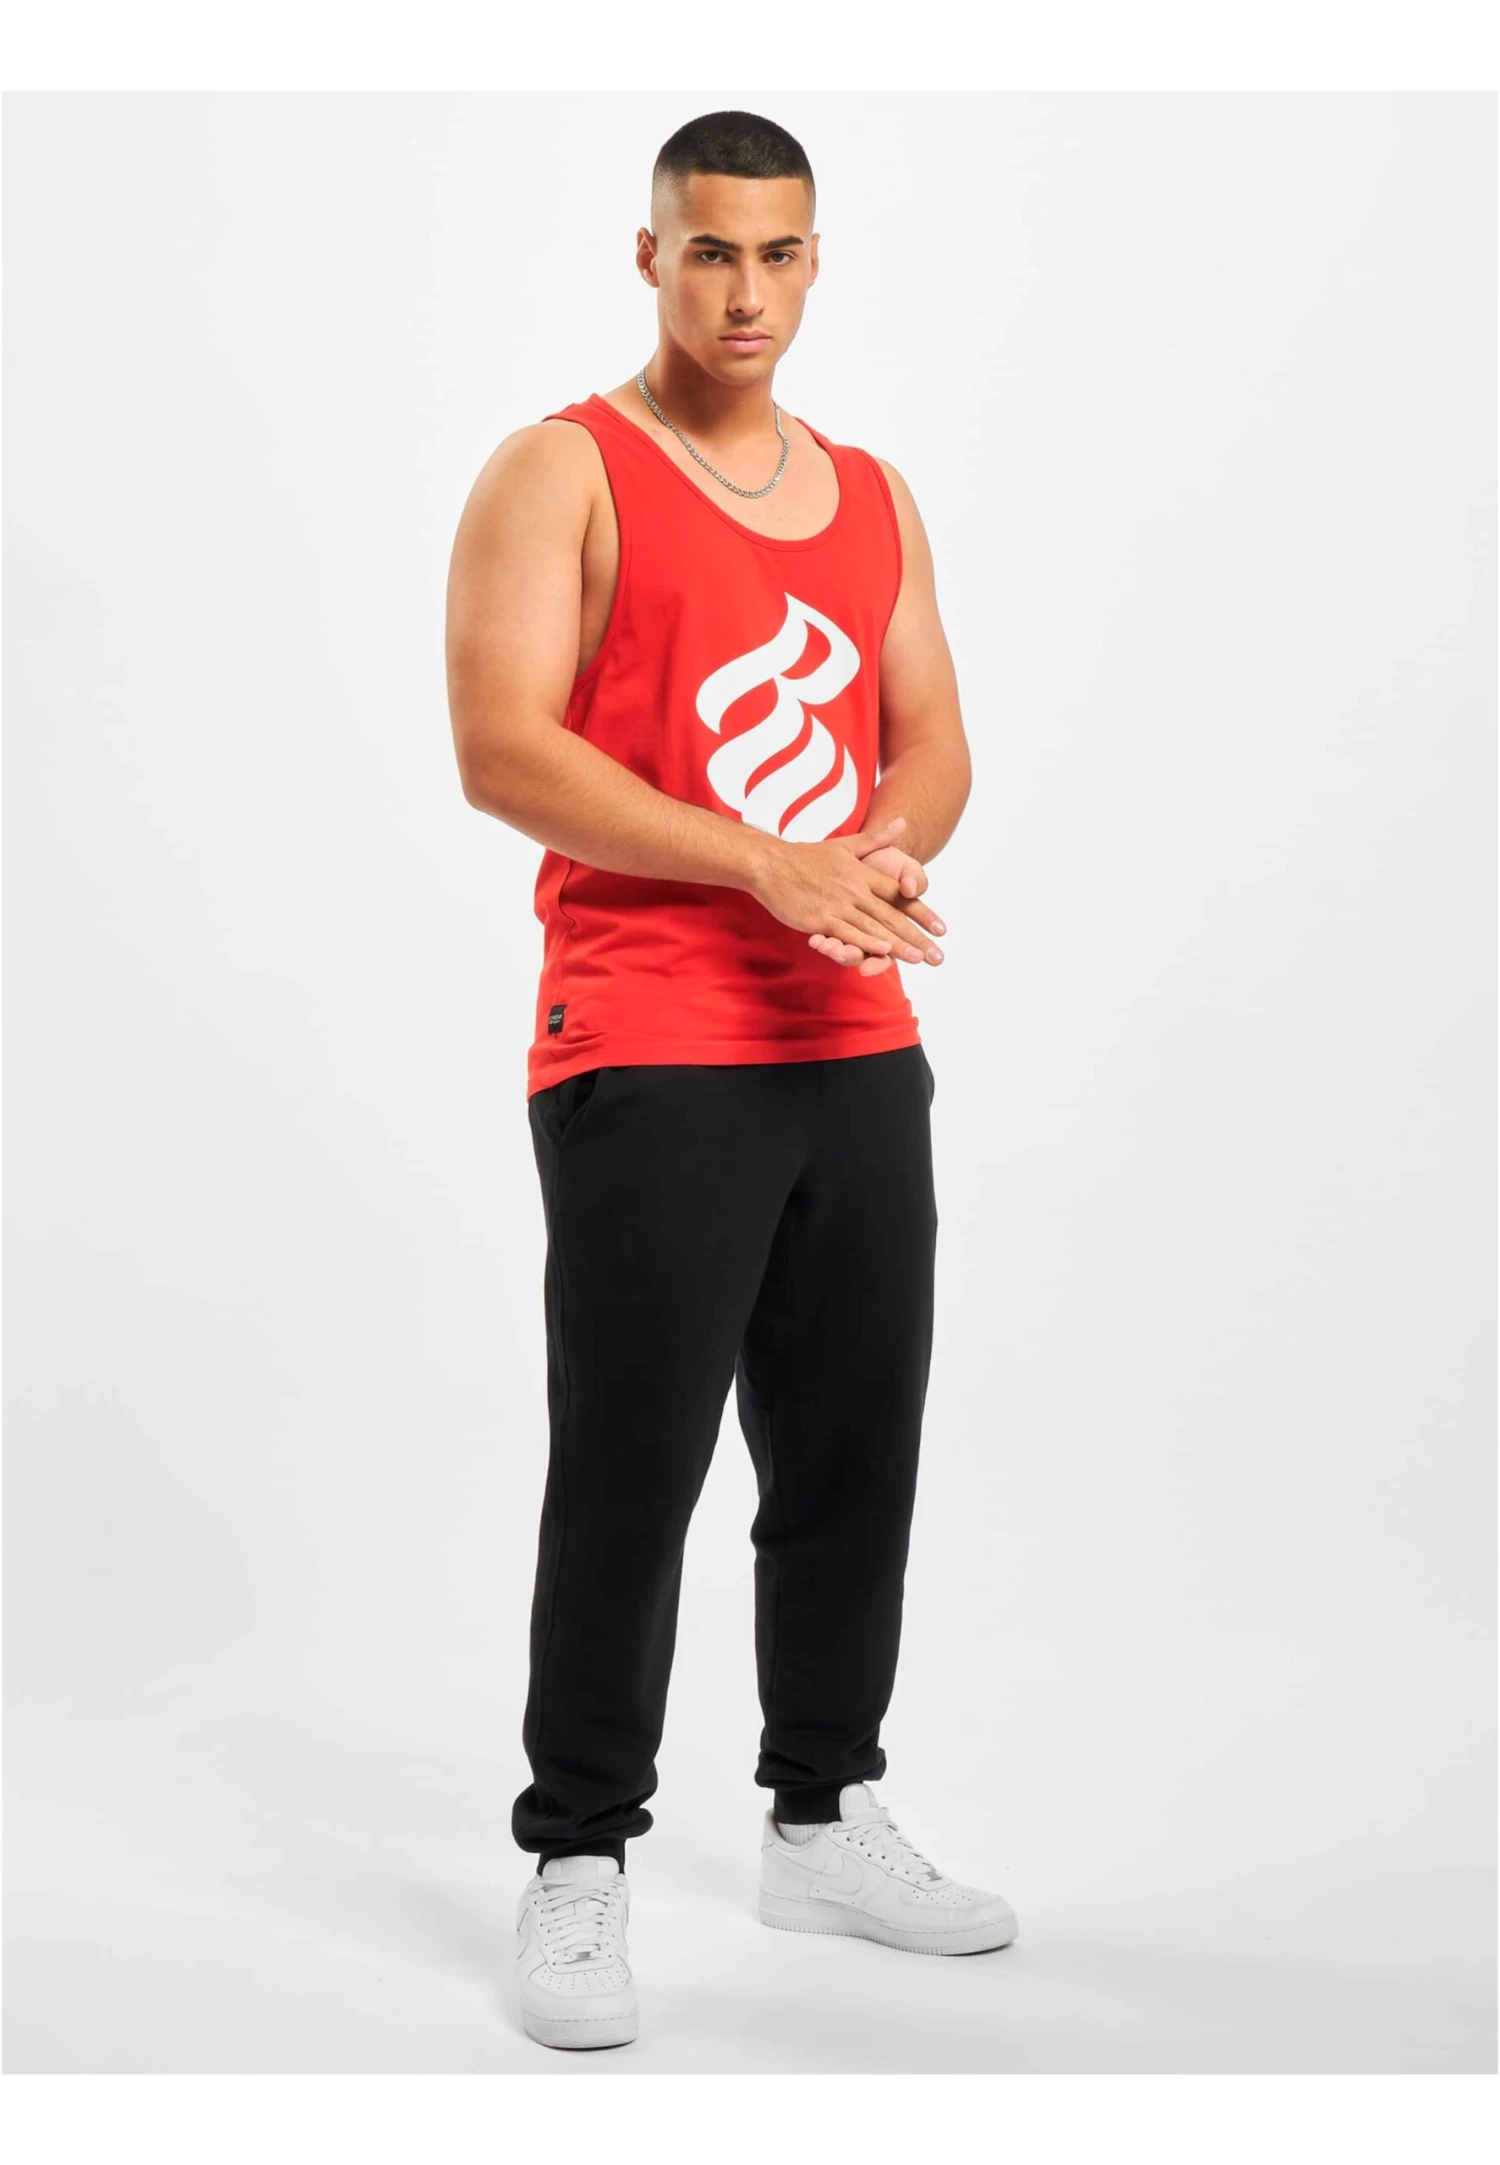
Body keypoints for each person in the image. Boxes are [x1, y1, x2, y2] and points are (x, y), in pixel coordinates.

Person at [445, 108, 1017, 2052]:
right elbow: (501, 747)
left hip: (853, 1041)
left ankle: (823, 1813)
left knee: (855, 1447)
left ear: (816, 261)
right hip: (648, 1038)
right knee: (635, 1464)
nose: (744, 291)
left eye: (777, 254)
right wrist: (764, 863)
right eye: (710, 251)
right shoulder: (562, 468)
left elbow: (934, 737)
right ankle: (577, 1856)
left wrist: (872, 852)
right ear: (651, 256)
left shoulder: (872, 494)